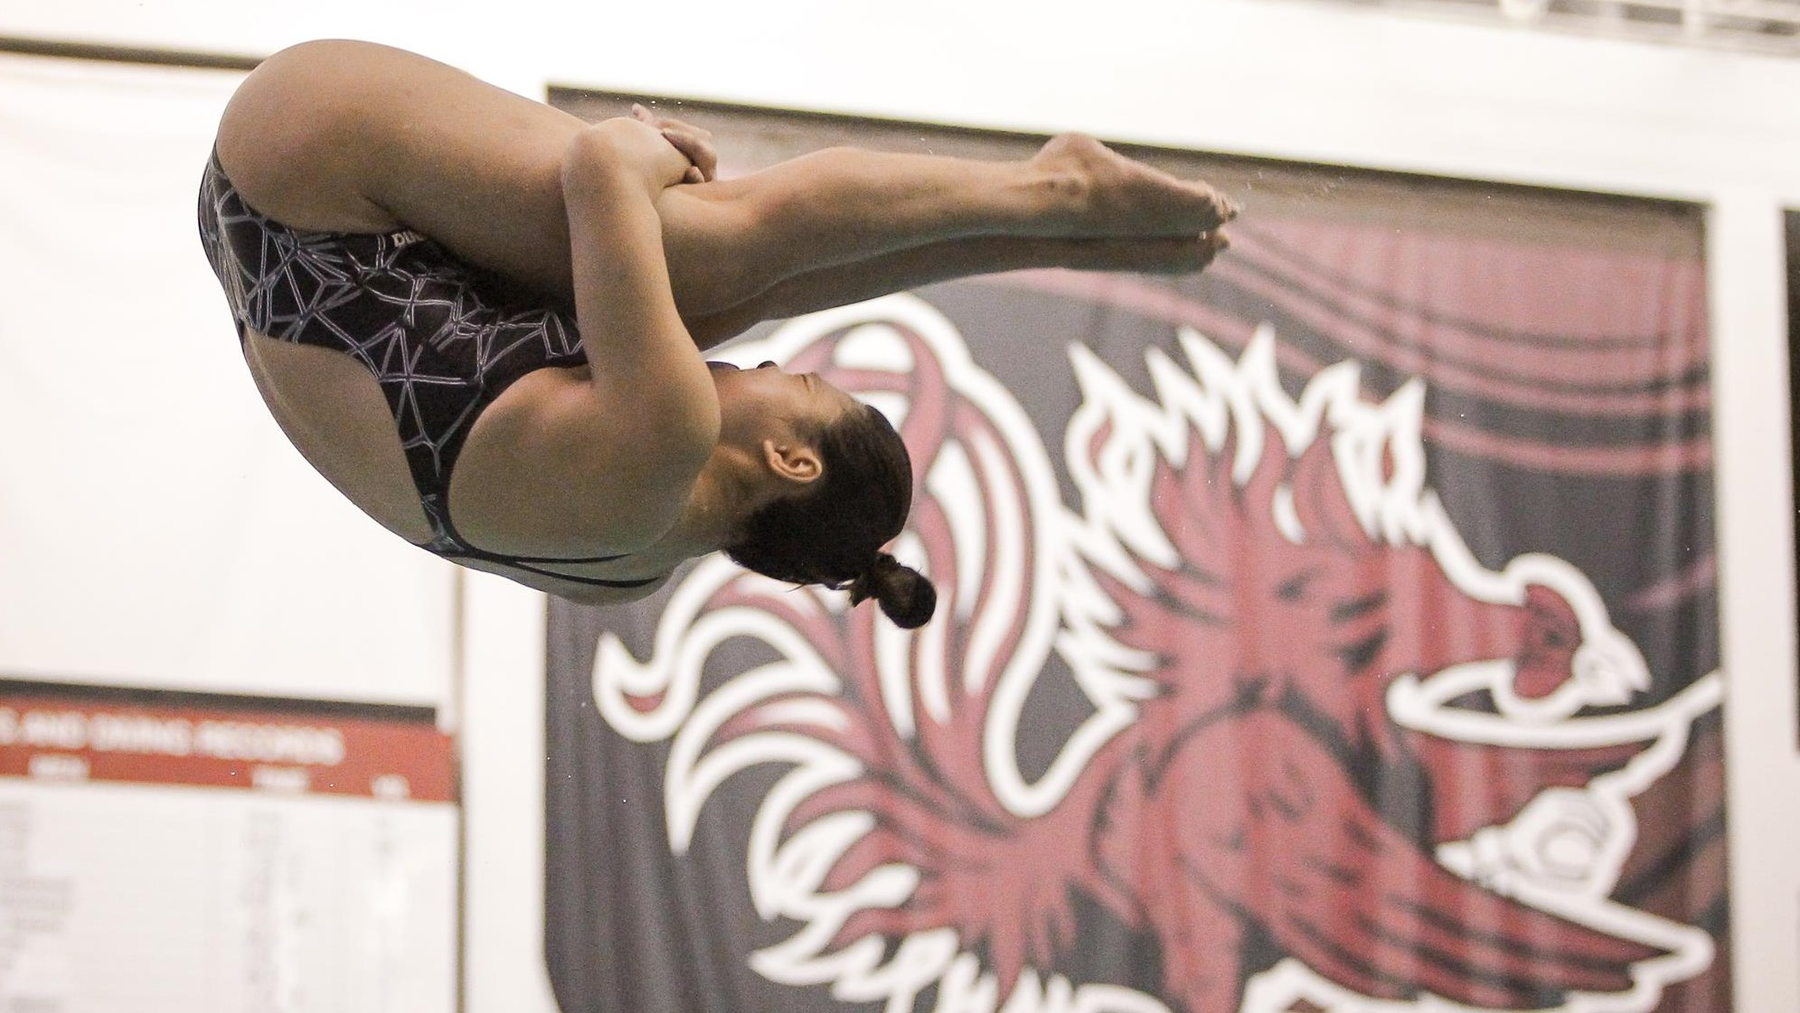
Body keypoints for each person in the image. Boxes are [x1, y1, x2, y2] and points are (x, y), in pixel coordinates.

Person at [198, 40, 1236, 629]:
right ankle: (1055, 232)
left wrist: (659, 160)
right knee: (693, 292)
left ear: (790, 456)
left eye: (796, 385)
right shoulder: (635, 562)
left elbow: (605, 163)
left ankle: (1055, 195)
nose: (772, 365)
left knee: (706, 249)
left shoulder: (668, 438)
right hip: (275, 260)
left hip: (309, 164)